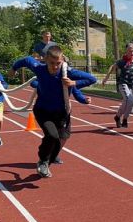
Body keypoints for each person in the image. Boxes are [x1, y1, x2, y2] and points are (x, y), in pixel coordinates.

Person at [9, 45, 97, 178]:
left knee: (60, 140)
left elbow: (92, 79)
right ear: (45, 60)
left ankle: (48, 161)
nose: (55, 66)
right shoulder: (39, 68)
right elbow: (26, 60)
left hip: (61, 113)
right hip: (43, 111)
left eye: (58, 63)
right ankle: (43, 160)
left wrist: (74, 84)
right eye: (52, 63)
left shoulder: (67, 72)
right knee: (52, 136)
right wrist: (14, 68)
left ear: (62, 61)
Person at [102, 43, 133, 128]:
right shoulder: (122, 61)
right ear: (126, 51)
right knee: (130, 100)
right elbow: (112, 66)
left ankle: (117, 117)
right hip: (123, 83)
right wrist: (106, 78)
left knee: (127, 102)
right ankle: (125, 119)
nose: (132, 53)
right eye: (130, 51)